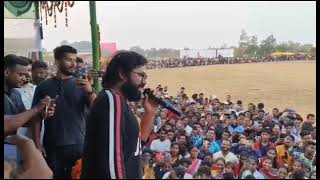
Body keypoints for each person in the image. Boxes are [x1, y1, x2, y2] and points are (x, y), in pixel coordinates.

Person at [81, 51, 159, 179]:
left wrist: (150, 113)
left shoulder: (119, 103)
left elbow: (135, 148)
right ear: (122, 73)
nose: (144, 83)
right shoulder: (112, 100)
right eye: (141, 75)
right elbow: (112, 163)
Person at [31, 45, 96, 179]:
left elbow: (96, 110)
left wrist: (90, 91)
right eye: (68, 60)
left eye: (74, 60)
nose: (73, 64)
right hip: (53, 146)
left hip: (79, 145)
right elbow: (36, 118)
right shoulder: (43, 86)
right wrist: (37, 144)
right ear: (56, 61)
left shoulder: (82, 85)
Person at [4, 55, 54, 162]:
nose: (24, 78)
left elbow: (24, 121)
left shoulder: (15, 93)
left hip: (10, 145)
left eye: (26, 75)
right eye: (20, 74)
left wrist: (42, 114)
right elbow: (6, 125)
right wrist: (36, 109)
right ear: (7, 72)